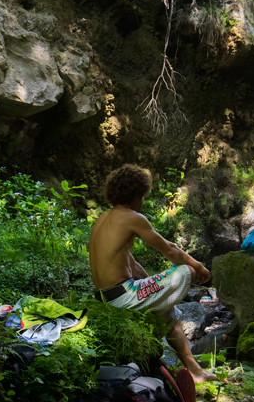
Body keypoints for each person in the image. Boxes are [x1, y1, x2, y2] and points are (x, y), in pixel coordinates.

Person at [89, 164, 219, 383]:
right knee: (185, 271)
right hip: (123, 296)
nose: (142, 201)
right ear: (135, 194)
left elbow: (131, 265)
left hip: (106, 297)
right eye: (142, 196)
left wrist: (153, 287)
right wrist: (198, 266)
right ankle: (192, 370)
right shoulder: (132, 217)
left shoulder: (102, 220)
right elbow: (170, 250)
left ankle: (195, 371)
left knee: (169, 312)